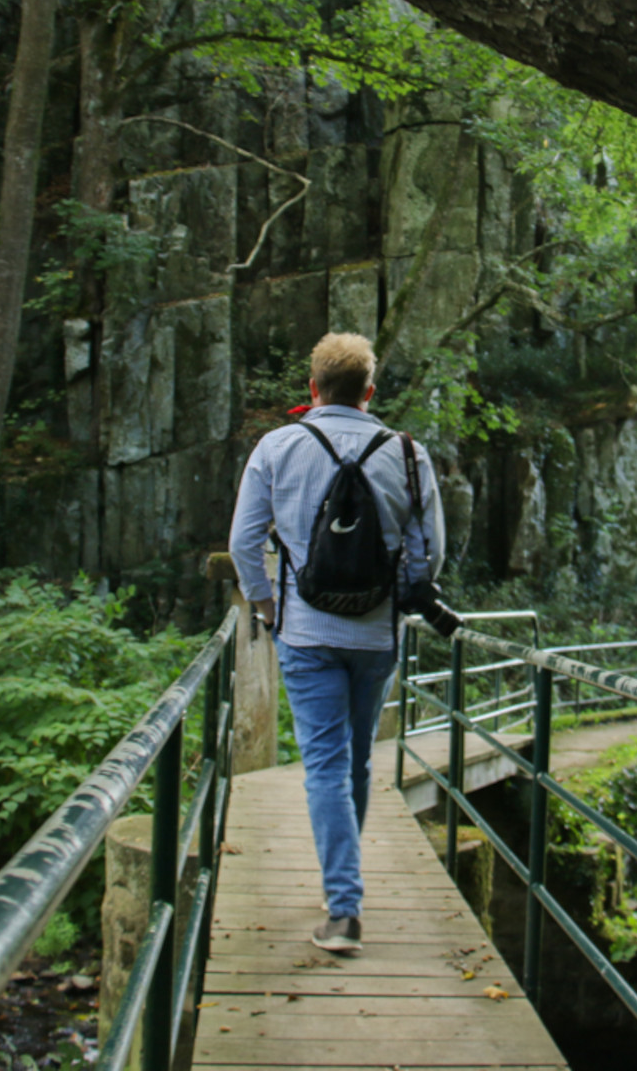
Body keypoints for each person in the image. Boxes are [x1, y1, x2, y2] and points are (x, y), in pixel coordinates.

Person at [227, 332, 450, 954]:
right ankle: (341, 890)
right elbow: (428, 552)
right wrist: (404, 591)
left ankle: (344, 907)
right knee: (356, 759)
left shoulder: (277, 447)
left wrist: (268, 604)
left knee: (324, 761)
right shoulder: (406, 452)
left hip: (305, 631)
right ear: (370, 393)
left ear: (312, 388)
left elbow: (246, 542)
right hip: (377, 635)